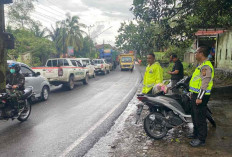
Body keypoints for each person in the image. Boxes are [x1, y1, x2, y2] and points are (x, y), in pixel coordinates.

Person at [188, 46, 214, 147]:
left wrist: (199, 97)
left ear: (201, 53)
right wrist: (192, 93)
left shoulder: (206, 66)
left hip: (201, 96)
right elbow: (196, 81)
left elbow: (205, 83)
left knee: (200, 118)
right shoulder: (201, 65)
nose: (195, 54)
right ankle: (196, 134)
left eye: (196, 52)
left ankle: (201, 139)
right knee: (194, 116)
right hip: (196, 94)